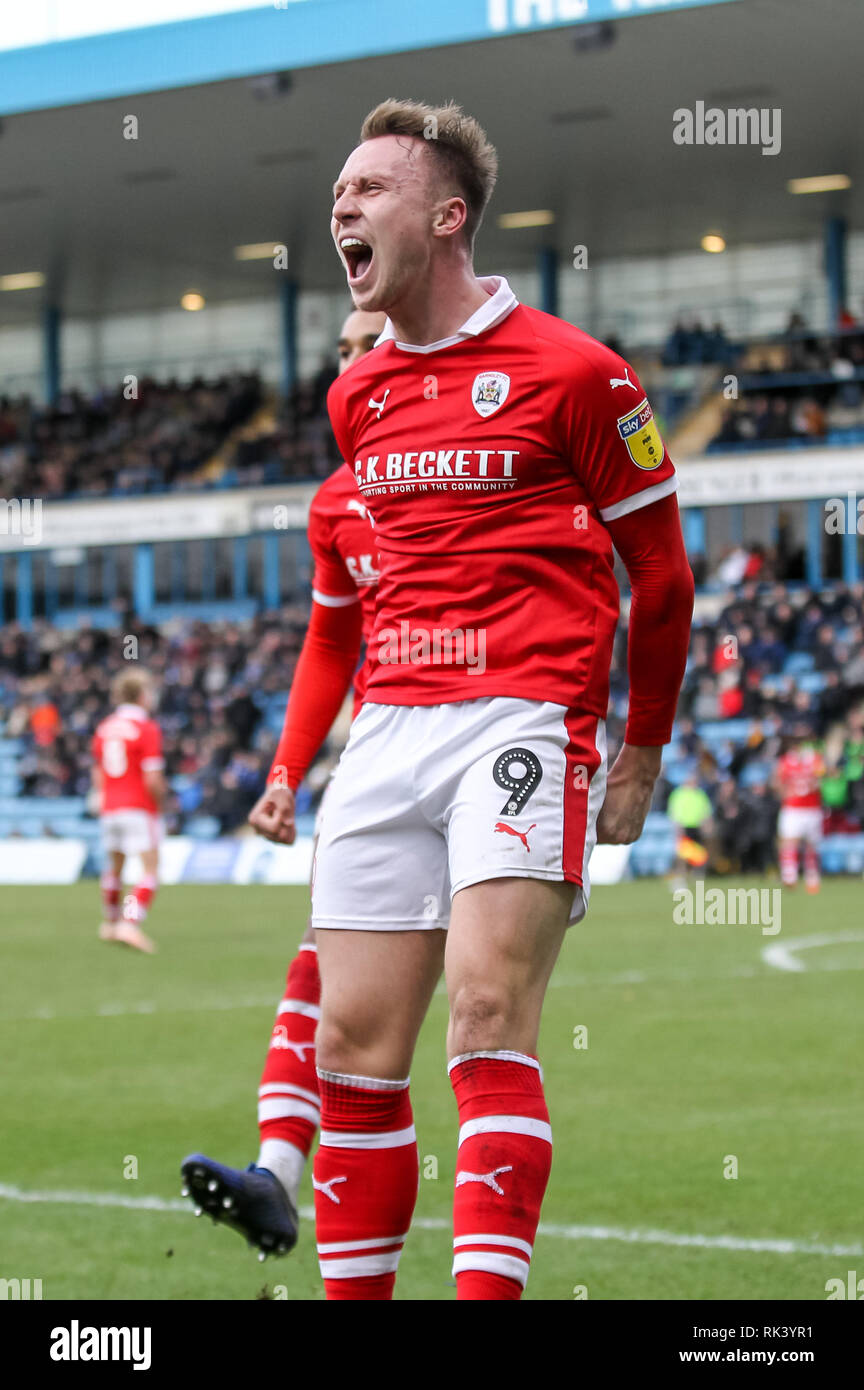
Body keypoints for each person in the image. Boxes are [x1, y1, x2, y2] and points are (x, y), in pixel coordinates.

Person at [304, 98, 694, 1301]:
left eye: (370, 188)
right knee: (354, 1050)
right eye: (337, 195)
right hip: (389, 728)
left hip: (524, 716)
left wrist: (637, 755)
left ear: (448, 213)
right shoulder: (355, 397)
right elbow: (351, 607)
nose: (343, 207)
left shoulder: (578, 373)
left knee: (483, 1012)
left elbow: (662, 573)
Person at [180, 307, 386, 1257]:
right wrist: (286, 772)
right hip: (384, 757)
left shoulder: (486, 457)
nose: (345, 368)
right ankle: (275, 1178)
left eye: (366, 345)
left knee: (481, 1025)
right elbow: (332, 639)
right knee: (329, 980)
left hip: (503, 750)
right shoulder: (339, 501)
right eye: (338, 352)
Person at [91, 670, 165, 953]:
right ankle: (129, 923)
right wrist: (161, 803)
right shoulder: (147, 728)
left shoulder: (104, 727)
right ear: (142, 694)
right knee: (149, 871)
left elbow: (98, 772)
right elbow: (152, 779)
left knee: (115, 868)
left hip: (110, 805)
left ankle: (110, 922)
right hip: (138, 805)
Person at [775, 731, 826, 892]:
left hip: (812, 808)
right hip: (793, 808)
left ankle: (812, 878)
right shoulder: (785, 762)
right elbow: (778, 781)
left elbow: (823, 778)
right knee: (789, 841)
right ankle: (789, 876)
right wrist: (785, 794)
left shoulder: (815, 759)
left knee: (812, 844)